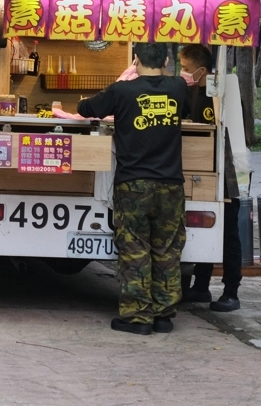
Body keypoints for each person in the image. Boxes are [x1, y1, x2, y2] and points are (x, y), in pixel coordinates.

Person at [78, 42, 190, 335]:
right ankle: (164, 314)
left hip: (133, 184)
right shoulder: (178, 87)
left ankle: (138, 317)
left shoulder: (123, 91)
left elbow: (87, 108)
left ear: (135, 59)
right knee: (167, 249)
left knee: (134, 248)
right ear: (166, 61)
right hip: (171, 184)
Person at [178, 43, 242, 312]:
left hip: (224, 177)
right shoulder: (192, 91)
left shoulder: (216, 93)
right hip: (202, 173)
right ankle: (201, 287)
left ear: (201, 70)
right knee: (206, 234)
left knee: (228, 236)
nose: (182, 73)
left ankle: (231, 292)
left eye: (185, 69)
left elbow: (217, 132)